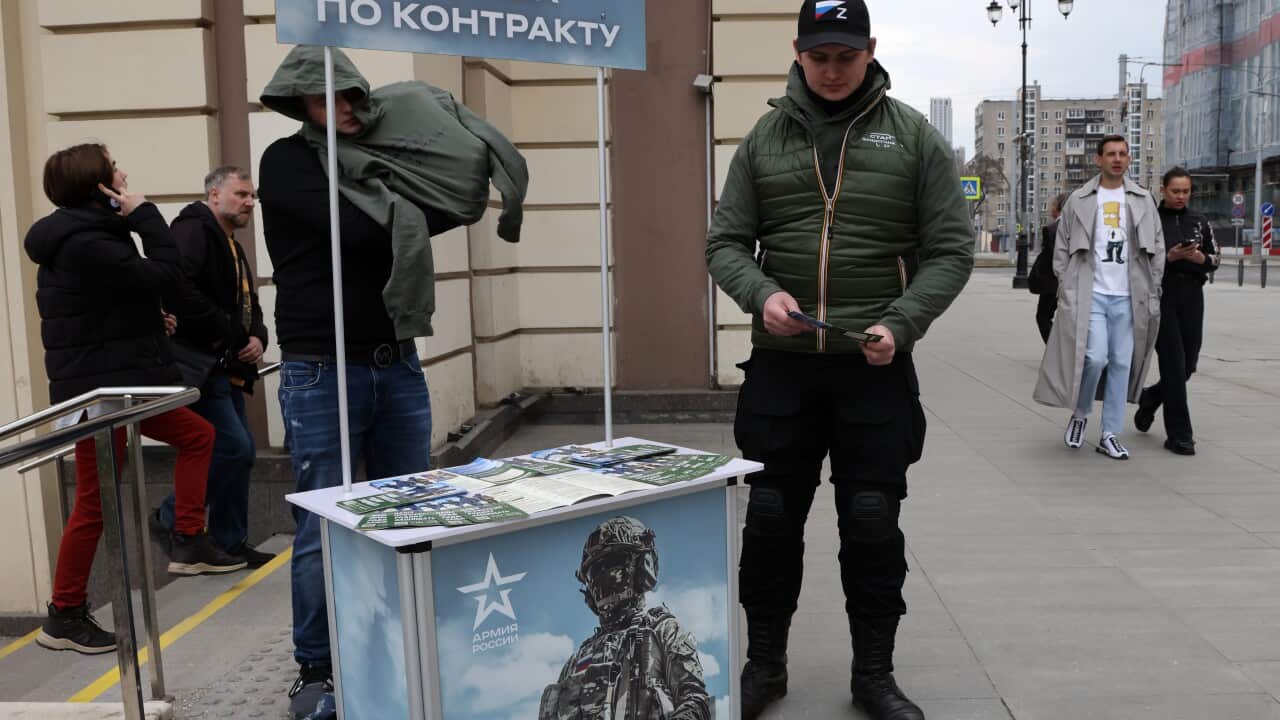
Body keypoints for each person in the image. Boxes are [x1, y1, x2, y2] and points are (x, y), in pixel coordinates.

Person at [705, 2, 975, 717]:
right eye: (818, 55)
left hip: (873, 368)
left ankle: (874, 675)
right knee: (768, 518)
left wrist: (903, 321)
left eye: (845, 57)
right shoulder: (764, 138)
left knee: (871, 518)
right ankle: (765, 666)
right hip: (781, 369)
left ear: (870, 51)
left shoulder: (912, 137)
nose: (830, 70)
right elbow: (724, 243)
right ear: (797, 52)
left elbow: (951, 249)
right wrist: (760, 294)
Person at [258, 45, 527, 719]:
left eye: (351, 95)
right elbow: (357, 230)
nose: (345, 109)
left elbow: (441, 210)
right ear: (302, 104)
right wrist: (419, 198)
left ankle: (409, 645)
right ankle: (317, 669)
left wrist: (444, 187)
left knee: (411, 512)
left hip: (395, 360)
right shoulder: (288, 162)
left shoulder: (377, 160)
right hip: (322, 368)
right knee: (325, 524)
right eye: (327, 99)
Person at [26, 144, 246, 654]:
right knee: (94, 504)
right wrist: (146, 214)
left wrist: (151, 318)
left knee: (198, 435)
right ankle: (64, 613)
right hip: (101, 393)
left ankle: (188, 536)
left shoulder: (91, 237)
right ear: (99, 184)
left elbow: (110, 303)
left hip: (123, 382)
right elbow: (168, 274)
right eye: (114, 167)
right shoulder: (86, 242)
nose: (124, 173)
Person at [149, 166, 274, 567]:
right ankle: (171, 519)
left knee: (242, 452)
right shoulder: (194, 231)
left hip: (225, 366)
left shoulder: (230, 243)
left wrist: (257, 336)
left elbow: (248, 302)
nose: (250, 202)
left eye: (252, 196)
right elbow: (178, 290)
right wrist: (231, 333)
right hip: (200, 366)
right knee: (233, 448)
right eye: (241, 194)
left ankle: (229, 542)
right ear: (214, 194)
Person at [1034, 135, 1164, 460]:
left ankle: (1110, 433)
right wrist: (1067, 285)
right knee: (1093, 357)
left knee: (1122, 362)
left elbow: (1157, 247)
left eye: (1122, 154)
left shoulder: (1142, 199)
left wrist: (1153, 287)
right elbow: (1061, 247)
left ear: (1128, 158)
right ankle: (1080, 413)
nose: (1117, 159)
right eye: (1111, 154)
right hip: (1091, 295)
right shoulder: (1079, 199)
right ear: (1098, 159)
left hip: (1129, 297)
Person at [538, 516, 710, 720]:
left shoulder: (662, 631)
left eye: (611, 563)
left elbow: (695, 703)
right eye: (595, 570)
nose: (603, 576)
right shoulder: (577, 660)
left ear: (641, 568)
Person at [1134, 167, 1217, 455]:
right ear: (1163, 190)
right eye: (1175, 191)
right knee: (1172, 363)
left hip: (1192, 296)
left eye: (1186, 191)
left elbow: (1214, 258)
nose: (1181, 196)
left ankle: (1151, 397)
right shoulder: (1151, 220)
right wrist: (1168, 257)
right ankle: (1180, 435)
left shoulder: (1199, 220)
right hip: (1162, 297)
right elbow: (1140, 261)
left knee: (1188, 365)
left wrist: (1200, 257)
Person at [1028, 192, 1072, 342]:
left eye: (1052, 204)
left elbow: (1049, 259)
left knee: (1043, 317)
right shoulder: (1076, 227)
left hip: (1053, 283)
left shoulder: (1052, 229)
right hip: (1076, 281)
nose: (1050, 208)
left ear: (1058, 207)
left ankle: (1057, 350)